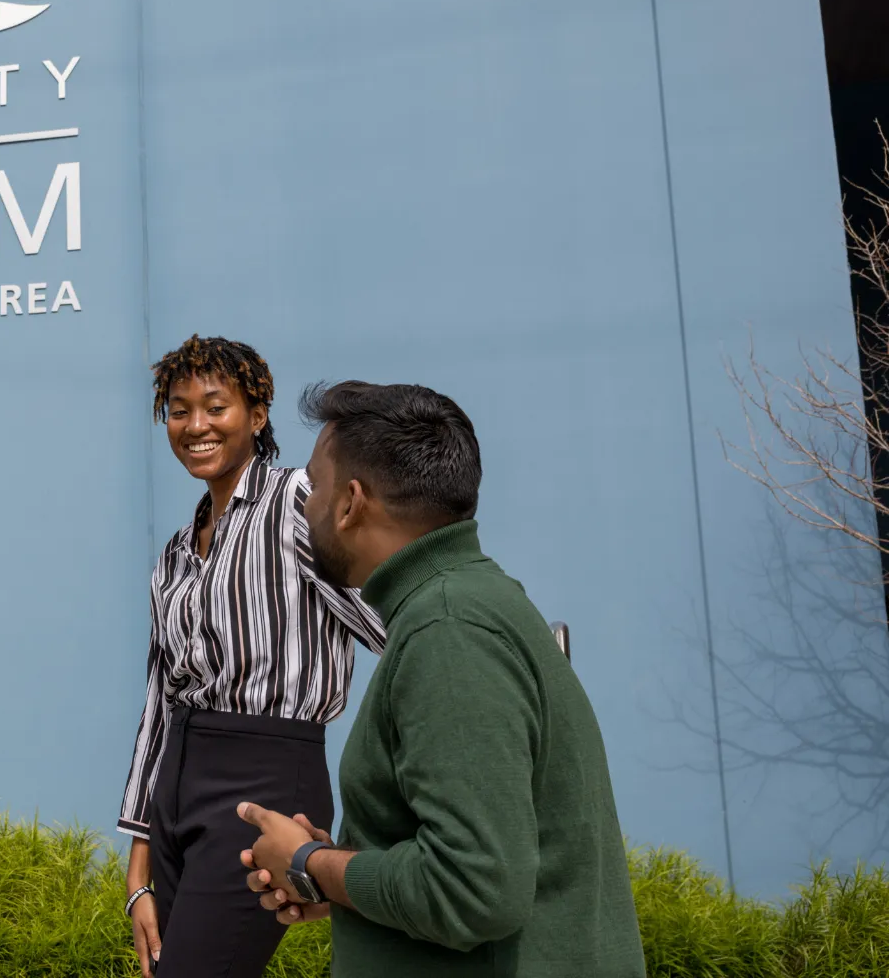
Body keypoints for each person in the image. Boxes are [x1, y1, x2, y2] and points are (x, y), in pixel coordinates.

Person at [239, 381, 645, 976]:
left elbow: (473, 889)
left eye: (316, 487)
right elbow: (482, 861)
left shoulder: (448, 629)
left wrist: (310, 864)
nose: (306, 507)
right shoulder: (473, 603)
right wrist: (349, 875)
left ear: (351, 503)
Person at [120, 335, 386, 978]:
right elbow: (159, 704)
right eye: (179, 411)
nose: (196, 426)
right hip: (177, 788)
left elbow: (388, 622)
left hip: (264, 783)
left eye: (216, 407)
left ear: (258, 415)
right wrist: (138, 867)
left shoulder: (298, 503)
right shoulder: (176, 554)